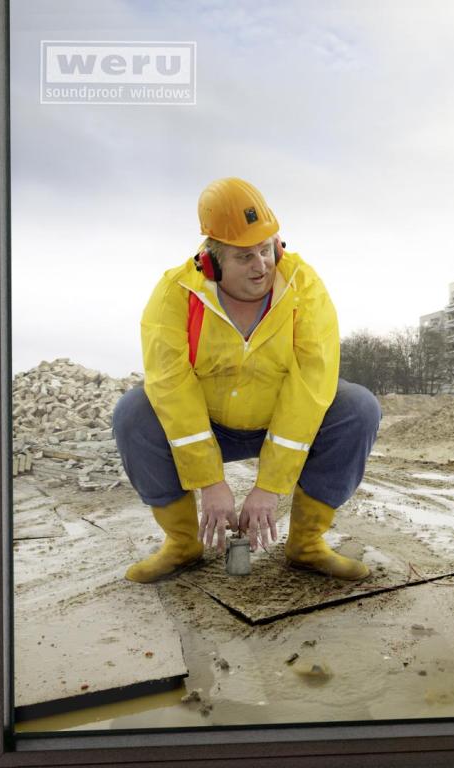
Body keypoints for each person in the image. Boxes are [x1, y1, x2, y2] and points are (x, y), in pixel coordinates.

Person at [112, 177, 381, 584]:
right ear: (212, 262)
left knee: (358, 407)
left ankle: (307, 544)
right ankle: (183, 544)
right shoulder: (174, 295)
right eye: (244, 257)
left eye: (266, 249)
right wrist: (211, 483)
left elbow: (311, 387)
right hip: (211, 424)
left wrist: (269, 487)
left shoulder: (304, 290)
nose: (262, 266)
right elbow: (172, 388)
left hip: (278, 420)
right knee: (133, 412)